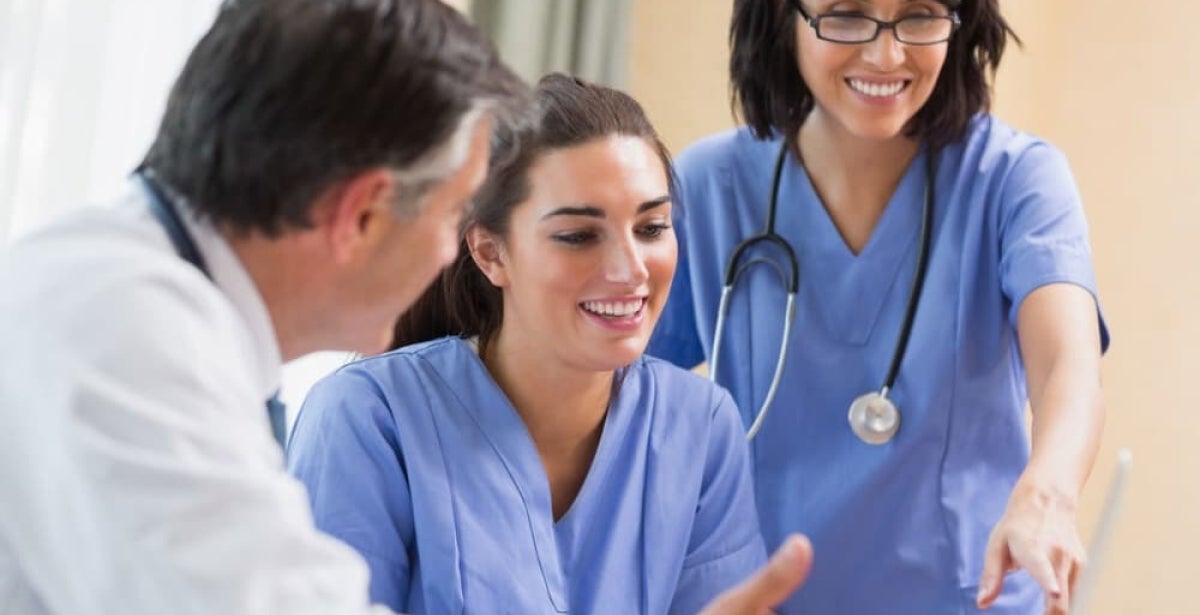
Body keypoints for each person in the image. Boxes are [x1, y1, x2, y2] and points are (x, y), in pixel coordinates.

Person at [0, 1, 812, 613]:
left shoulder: (128, 296)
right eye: (452, 214)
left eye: (652, 224)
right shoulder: (132, 342)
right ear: (362, 213)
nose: (447, 254)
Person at [647, 1, 1108, 614]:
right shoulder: (710, 187)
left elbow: (1066, 366)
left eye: (918, 14)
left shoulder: (1015, 181)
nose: (887, 55)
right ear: (782, 16)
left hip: (972, 599)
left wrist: (1046, 495)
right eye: (846, 14)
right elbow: (611, 400)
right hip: (765, 599)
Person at [287, 73, 786, 615]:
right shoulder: (366, 420)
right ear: (490, 253)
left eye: (651, 227)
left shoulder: (701, 423)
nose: (630, 269)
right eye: (578, 235)